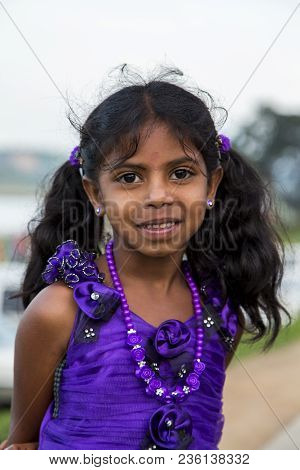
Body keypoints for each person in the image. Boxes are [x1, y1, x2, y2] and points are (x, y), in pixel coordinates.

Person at [2, 65, 291, 450]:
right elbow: (21, 448)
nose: (157, 195)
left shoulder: (220, 316)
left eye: (181, 172)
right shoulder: (59, 311)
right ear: (94, 193)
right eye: (129, 178)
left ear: (213, 183)